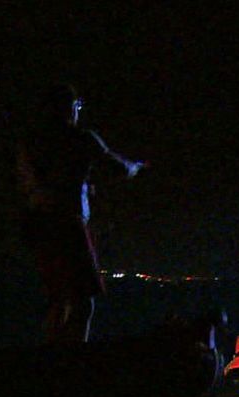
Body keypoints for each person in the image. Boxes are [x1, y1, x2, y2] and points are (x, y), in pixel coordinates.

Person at [16, 83, 144, 344]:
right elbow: (117, 167)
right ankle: (74, 362)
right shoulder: (80, 138)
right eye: (77, 107)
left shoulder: (31, 143)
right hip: (68, 225)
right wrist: (136, 166)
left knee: (58, 299)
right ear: (70, 108)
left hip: (39, 225)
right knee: (83, 301)